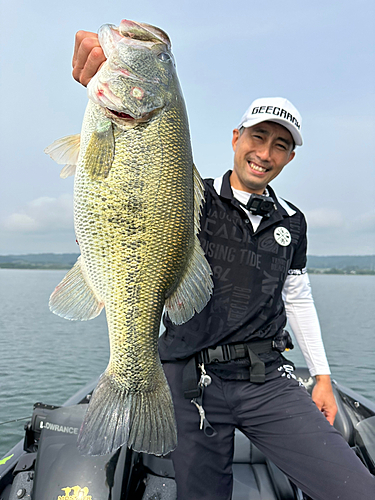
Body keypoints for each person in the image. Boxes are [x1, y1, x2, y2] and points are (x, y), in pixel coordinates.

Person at [72, 31, 375, 500]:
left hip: (267, 378)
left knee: (354, 489)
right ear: (236, 138)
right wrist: (104, 87)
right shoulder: (196, 198)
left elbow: (297, 296)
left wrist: (323, 376)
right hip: (190, 379)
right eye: (258, 136)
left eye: (280, 145)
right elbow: (140, 182)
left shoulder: (292, 221)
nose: (265, 153)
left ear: (290, 157)